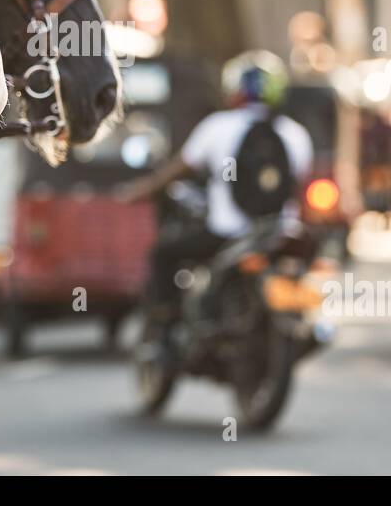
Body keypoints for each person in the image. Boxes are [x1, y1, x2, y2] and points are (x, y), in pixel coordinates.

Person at [117, 50, 313, 321]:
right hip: (280, 233)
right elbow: (299, 187)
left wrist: (138, 191)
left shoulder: (217, 126)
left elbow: (176, 172)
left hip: (225, 234)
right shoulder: (296, 134)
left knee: (163, 254)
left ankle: (165, 324)